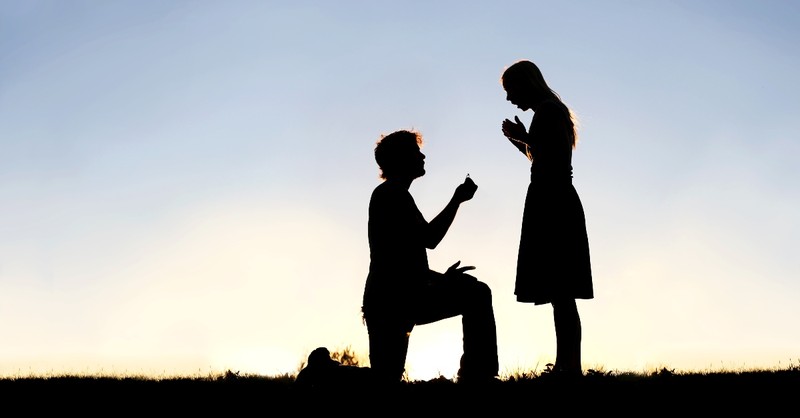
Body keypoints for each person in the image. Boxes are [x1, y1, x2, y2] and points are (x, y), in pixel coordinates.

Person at [361, 129, 499, 385]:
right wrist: (457, 199)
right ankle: (478, 376)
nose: (422, 156)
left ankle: (477, 374)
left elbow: (402, 259)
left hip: (395, 298)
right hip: (394, 300)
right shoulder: (392, 194)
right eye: (416, 151)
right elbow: (429, 239)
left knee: (386, 377)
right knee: (385, 379)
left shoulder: (393, 194)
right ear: (401, 158)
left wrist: (439, 279)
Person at [500, 59, 594, 377]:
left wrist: (521, 136)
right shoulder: (550, 111)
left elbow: (548, 155)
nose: (511, 98)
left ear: (526, 84)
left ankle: (571, 368)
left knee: (561, 292)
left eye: (511, 90)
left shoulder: (549, 111)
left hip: (552, 202)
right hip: (550, 198)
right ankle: (568, 366)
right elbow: (542, 155)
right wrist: (519, 140)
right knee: (559, 293)